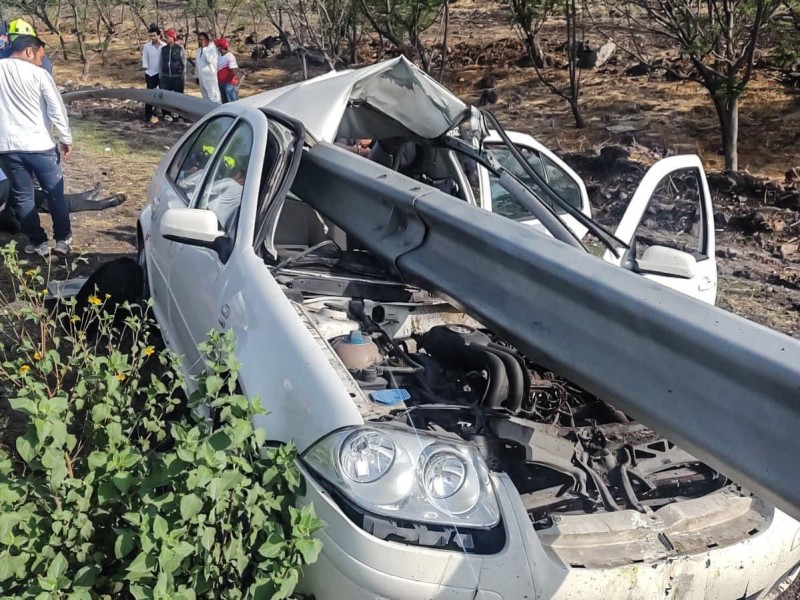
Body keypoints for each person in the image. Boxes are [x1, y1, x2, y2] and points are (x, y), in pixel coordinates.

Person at [0, 35, 73, 256]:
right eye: (40, 56)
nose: (41, 62)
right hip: (39, 145)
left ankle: (38, 242)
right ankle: (62, 241)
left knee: (23, 195)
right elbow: (56, 108)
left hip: (7, 147)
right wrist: (65, 138)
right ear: (29, 52)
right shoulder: (39, 75)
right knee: (54, 193)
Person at [159, 28, 186, 121]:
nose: (165, 39)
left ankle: (180, 115)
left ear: (172, 37)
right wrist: (161, 76)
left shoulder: (180, 49)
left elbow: (184, 64)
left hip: (177, 77)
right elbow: (161, 63)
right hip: (166, 77)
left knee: (179, 97)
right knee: (165, 97)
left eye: (167, 37)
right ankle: (166, 114)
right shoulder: (163, 49)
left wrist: (183, 77)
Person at [141, 24, 165, 124]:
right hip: (150, 73)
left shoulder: (164, 46)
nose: (152, 38)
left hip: (161, 73)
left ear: (159, 35)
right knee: (150, 95)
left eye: (154, 35)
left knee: (162, 94)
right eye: (150, 36)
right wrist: (146, 70)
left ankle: (161, 114)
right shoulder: (147, 46)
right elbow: (145, 59)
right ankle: (148, 114)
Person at [194, 32, 220, 103]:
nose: (200, 41)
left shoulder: (212, 49)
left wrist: (208, 47)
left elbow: (209, 59)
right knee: (205, 96)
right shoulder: (199, 51)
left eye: (202, 39)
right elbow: (197, 64)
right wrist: (197, 76)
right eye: (199, 40)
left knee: (213, 97)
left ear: (207, 40)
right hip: (201, 78)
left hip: (210, 78)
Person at [215, 38, 239, 103]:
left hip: (229, 84)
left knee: (232, 101)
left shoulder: (230, 57)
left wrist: (228, 80)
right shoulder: (219, 56)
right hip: (221, 83)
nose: (218, 49)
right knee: (224, 102)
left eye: (219, 47)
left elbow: (233, 70)